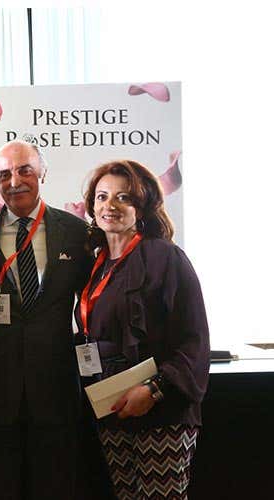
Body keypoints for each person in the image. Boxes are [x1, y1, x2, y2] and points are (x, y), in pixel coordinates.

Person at [0, 137, 94, 499]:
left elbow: (95, 303)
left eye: (25, 171)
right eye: (4, 175)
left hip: (56, 390)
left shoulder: (77, 233)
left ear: (43, 173)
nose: (15, 181)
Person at [77, 159, 209, 500]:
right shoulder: (97, 264)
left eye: (123, 197)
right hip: (112, 409)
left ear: (143, 205)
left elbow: (193, 341)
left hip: (160, 411)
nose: (110, 205)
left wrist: (153, 390)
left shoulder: (166, 258)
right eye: (102, 196)